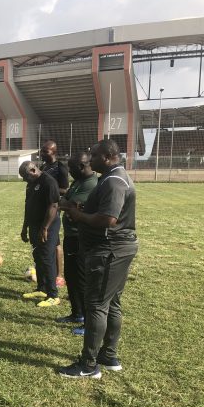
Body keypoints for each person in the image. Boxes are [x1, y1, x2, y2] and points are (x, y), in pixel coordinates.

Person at [59, 139, 138, 379]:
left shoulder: (114, 181)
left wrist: (77, 215)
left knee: (96, 305)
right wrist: (82, 210)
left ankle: (88, 365)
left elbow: (108, 219)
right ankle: (108, 355)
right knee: (111, 303)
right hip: (115, 248)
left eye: (93, 156)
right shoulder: (112, 177)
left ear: (106, 156)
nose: (90, 160)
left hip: (109, 250)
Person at [55, 152, 98, 328]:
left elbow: (70, 204)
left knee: (81, 279)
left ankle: (87, 322)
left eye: (71, 168)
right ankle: (77, 313)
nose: (69, 172)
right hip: (70, 235)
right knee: (71, 277)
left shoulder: (92, 184)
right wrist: (67, 203)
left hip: (81, 237)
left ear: (81, 166)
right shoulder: (78, 181)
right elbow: (65, 201)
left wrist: (67, 204)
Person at [19, 161, 61, 307]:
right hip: (34, 225)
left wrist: (45, 228)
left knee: (46, 258)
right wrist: (25, 227)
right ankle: (42, 289)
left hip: (48, 226)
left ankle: (53, 295)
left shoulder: (49, 182)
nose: (24, 180)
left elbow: (53, 205)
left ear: (33, 170)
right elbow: (28, 206)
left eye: (25, 176)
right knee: (38, 256)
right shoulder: (31, 184)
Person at [40, 140, 69, 287]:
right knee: (47, 241)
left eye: (46, 151)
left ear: (54, 152)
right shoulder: (43, 166)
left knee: (55, 242)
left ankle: (59, 276)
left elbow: (65, 189)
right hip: (42, 208)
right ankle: (46, 271)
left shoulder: (60, 168)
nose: (42, 153)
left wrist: (51, 190)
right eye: (42, 150)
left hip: (53, 209)